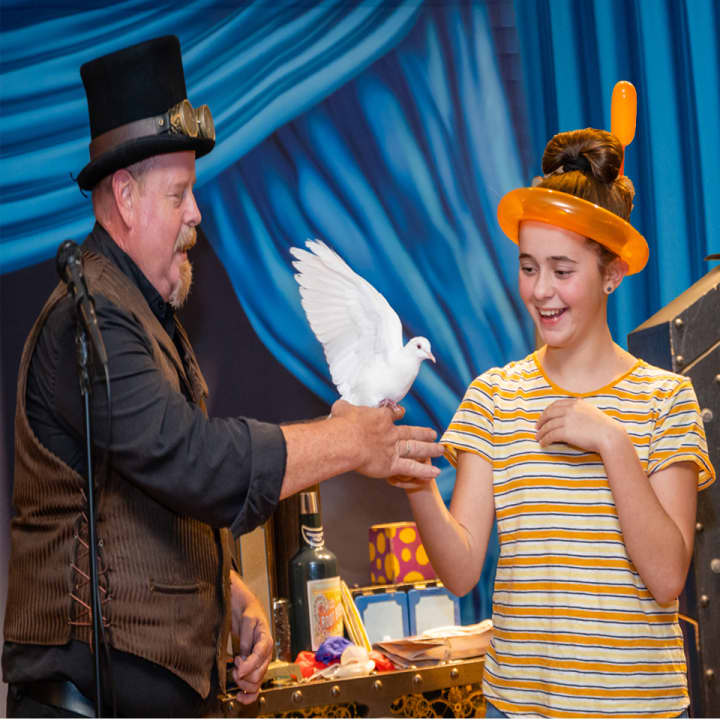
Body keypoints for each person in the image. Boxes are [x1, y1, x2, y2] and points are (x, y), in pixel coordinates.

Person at [2, 36, 443, 718]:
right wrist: (351, 440)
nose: (196, 214)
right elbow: (194, 463)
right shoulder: (90, 323)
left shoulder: (146, 317)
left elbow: (143, 497)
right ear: (125, 197)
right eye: (179, 194)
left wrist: (224, 590)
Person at [392, 128, 715, 718]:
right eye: (528, 267)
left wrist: (612, 443)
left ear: (612, 272)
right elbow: (461, 572)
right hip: (518, 707)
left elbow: (668, 576)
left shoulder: (666, 400)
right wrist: (417, 488)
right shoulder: (494, 397)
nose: (541, 291)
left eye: (562, 270)